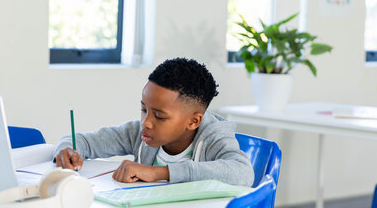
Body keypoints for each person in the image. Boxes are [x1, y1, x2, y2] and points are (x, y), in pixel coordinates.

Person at [53, 57, 254, 186]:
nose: (146, 122)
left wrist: (159, 173)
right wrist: (68, 150)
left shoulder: (214, 138)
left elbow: (243, 173)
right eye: (144, 109)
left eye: (159, 115)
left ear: (193, 121)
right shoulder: (140, 133)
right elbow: (83, 141)